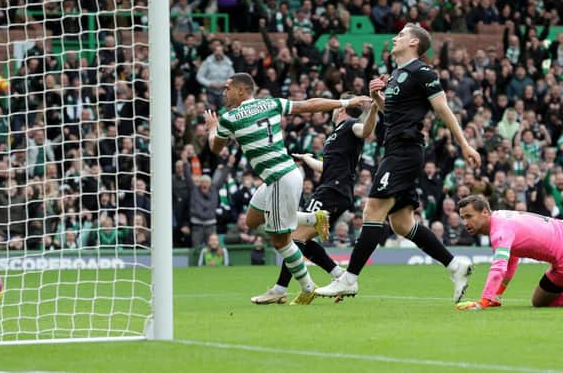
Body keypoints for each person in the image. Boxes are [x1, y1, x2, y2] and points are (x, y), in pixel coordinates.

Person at [316, 24, 481, 303]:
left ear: (414, 42)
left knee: (373, 209)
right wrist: (379, 98)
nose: (395, 38)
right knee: (403, 224)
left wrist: (464, 144)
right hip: (394, 147)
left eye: (401, 35)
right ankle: (456, 265)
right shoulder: (395, 76)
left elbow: (442, 109)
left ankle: (349, 279)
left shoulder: (423, 72)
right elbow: (391, 115)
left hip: (405, 151)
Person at [204, 73, 371, 305]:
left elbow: (215, 147)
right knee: (252, 220)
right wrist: (343, 102)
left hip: (279, 178)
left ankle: (300, 287)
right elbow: (310, 105)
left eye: (227, 88)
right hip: (284, 175)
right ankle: (312, 219)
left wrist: (212, 128)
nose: (224, 92)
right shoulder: (271, 103)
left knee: (281, 241)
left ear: (241, 91)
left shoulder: (229, 118)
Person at [250, 91, 378, 305]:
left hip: (333, 191)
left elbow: (365, 130)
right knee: (303, 240)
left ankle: (280, 289)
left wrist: (372, 109)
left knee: (295, 237)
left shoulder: (350, 126)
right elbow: (327, 168)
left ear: (341, 109)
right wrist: (307, 160)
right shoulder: (337, 134)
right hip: (332, 189)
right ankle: (339, 275)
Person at [456, 195, 563, 310]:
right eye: (463, 218)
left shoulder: (499, 231)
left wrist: (483, 302)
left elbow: (499, 269)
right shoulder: (501, 216)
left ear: (484, 212)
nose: (465, 223)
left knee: (539, 301)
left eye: (469, 216)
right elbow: (512, 259)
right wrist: (496, 296)